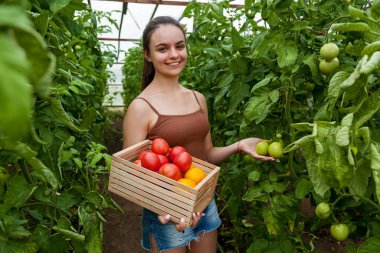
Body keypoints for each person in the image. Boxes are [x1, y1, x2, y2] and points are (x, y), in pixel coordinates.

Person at [123, 16, 275, 253]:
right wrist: (167, 209)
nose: (174, 54)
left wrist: (238, 145)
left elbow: (206, 156)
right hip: (167, 211)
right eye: (162, 49)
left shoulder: (198, 99)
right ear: (147, 54)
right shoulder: (140, 108)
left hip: (204, 201)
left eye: (180, 46)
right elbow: (132, 179)